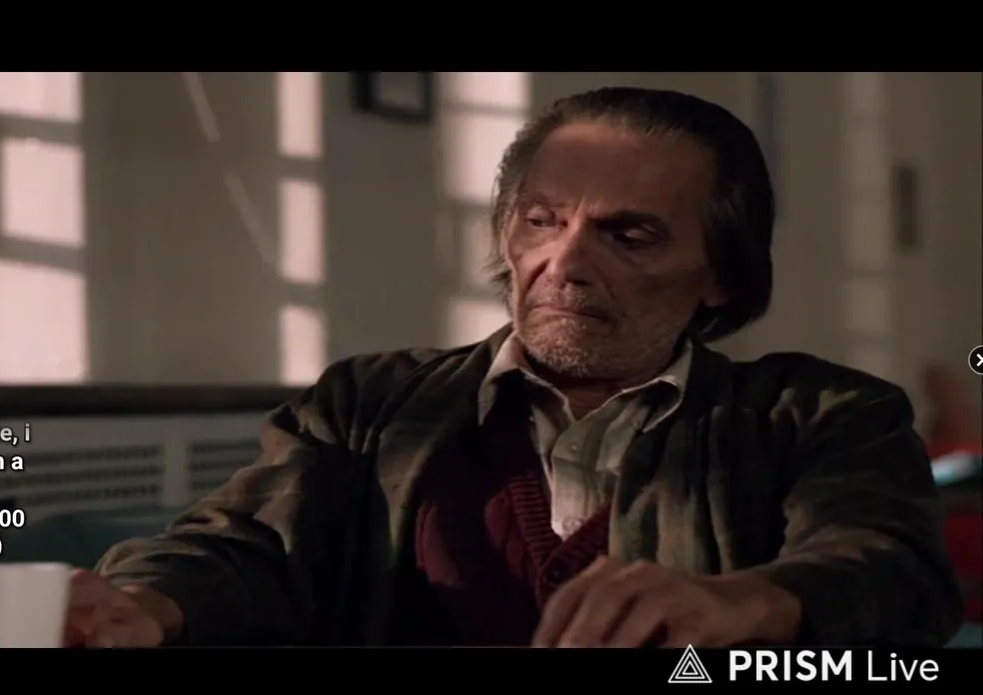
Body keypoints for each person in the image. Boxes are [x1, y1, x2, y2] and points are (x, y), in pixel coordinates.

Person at [64, 87, 963, 648]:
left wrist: (745, 604)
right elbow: (243, 545)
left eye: (628, 235)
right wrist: (144, 603)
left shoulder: (816, 415)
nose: (564, 264)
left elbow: (891, 571)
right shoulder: (370, 404)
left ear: (720, 273)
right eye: (542, 221)